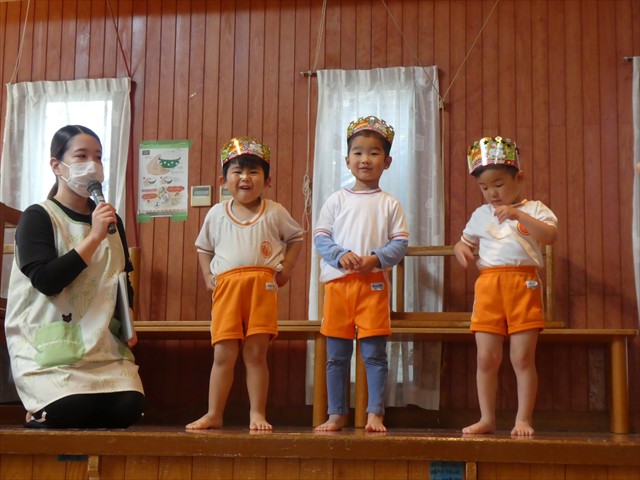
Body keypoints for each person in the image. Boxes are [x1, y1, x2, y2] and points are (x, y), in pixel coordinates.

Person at [4, 125, 145, 429]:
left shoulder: (112, 221)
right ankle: (39, 412)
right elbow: (47, 281)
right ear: (57, 165)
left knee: (128, 408)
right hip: (49, 344)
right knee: (71, 408)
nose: (92, 165)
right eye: (81, 156)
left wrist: (129, 317)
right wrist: (94, 237)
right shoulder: (38, 217)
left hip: (101, 345)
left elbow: (122, 277)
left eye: (98, 157)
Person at [187, 136, 303, 431]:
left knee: (255, 353)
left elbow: (296, 238)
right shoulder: (216, 213)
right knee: (223, 353)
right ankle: (214, 413)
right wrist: (208, 277)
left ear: (267, 180)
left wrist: (287, 269)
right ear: (223, 180)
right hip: (226, 288)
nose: (245, 178)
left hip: (262, 288)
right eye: (237, 171)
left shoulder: (275, 211)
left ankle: (257, 414)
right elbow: (203, 248)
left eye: (254, 171)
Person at [453, 136, 558, 437]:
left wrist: (517, 214)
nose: (492, 193)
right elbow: (463, 242)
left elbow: (549, 236)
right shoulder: (480, 214)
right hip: (488, 286)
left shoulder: (535, 208)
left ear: (518, 178)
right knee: (486, 358)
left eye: (498, 184)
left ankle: (523, 419)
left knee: (522, 357)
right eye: (484, 188)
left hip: (523, 284)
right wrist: (460, 250)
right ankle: (487, 418)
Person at [313, 116, 409, 433]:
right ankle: (336, 414)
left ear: (387, 161)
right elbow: (321, 237)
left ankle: (375, 413)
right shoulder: (336, 200)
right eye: (358, 152)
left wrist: (375, 259)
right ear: (347, 160)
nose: (365, 159)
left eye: (374, 152)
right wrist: (340, 255)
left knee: (374, 354)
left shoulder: (390, 204)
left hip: (373, 286)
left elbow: (400, 244)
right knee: (336, 355)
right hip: (338, 287)